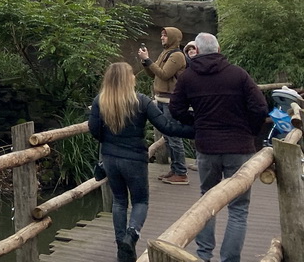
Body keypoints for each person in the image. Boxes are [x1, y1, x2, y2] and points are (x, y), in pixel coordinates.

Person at [169, 33, 269, 262]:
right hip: (239, 147)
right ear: (218, 48)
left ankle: (204, 255)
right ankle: (230, 259)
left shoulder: (188, 77)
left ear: (198, 50)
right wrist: (249, 130)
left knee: (206, 201)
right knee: (238, 208)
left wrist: (197, 122)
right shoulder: (238, 75)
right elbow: (260, 108)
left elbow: (176, 110)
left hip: (207, 146)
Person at [89, 62, 195, 262]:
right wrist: (196, 129)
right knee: (140, 201)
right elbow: (167, 126)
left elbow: (94, 129)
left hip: (110, 159)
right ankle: (132, 234)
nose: (135, 78)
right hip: (135, 160)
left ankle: (122, 247)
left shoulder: (99, 101)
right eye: (132, 75)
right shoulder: (141, 101)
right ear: (127, 79)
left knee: (119, 202)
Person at [137, 26, 189, 184]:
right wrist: (145, 62)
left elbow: (165, 74)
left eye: (165, 36)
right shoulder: (165, 53)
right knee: (167, 137)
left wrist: (148, 60)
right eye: (161, 35)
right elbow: (153, 73)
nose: (162, 38)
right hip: (160, 99)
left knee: (174, 137)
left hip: (170, 101)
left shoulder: (178, 55)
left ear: (173, 37)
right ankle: (174, 169)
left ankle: (181, 172)